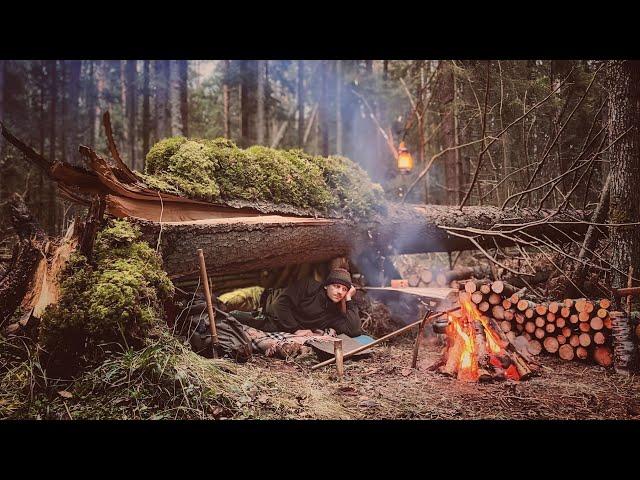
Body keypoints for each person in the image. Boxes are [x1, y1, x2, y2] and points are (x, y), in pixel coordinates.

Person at [230, 268, 363, 337]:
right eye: (336, 286)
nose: (340, 292)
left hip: (279, 320)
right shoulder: (308, 285)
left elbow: (354, 330)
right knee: (229, 309)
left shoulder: (333, 312)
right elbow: (280, 304)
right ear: (326, 286)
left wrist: (349, 299)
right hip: (263, 297)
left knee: (238, 320)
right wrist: (296, 329)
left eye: (344, 289)